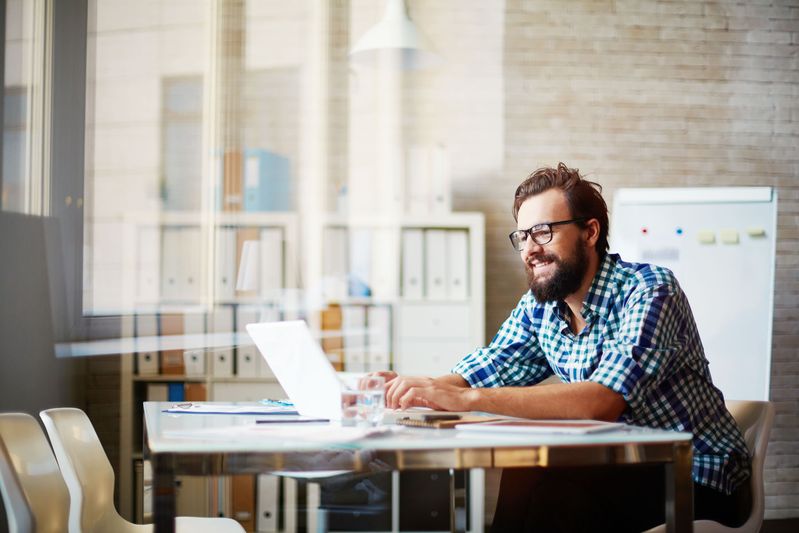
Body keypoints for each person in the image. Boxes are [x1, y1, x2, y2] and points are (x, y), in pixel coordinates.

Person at [376, 163, 752, 532]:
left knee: (559, 495)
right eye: (522, 237)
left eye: (542, 233)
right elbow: (484, 368)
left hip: (699, 476)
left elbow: (602, 402)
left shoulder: (650, 290)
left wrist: (468, 400)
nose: (529, 250)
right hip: (621, 466)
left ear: (590, 232)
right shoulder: (541, 307)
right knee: (528, 474)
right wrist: (418, 391)